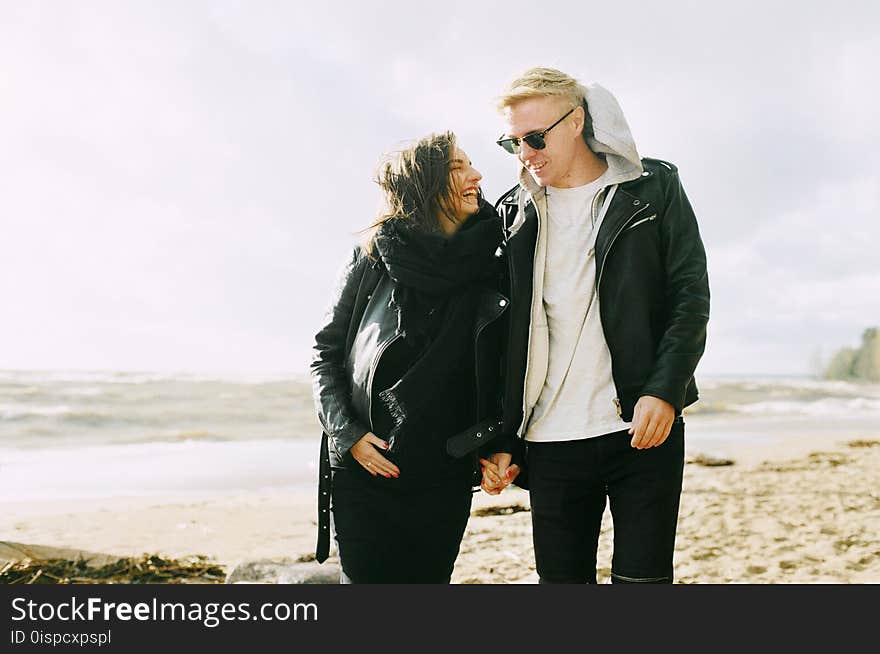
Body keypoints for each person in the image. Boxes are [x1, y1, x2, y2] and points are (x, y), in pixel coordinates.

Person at [481, 67, 710, 584]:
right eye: (512, 142)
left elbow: (689, 297)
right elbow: (496, 338)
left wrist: (663, 390)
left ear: (578, 120)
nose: (525, 154)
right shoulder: (512, 214)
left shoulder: (653, 189)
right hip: (548, 440)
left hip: (641, 427)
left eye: (535, 138)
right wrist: (498, 436)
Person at [310, 132, 510, 583]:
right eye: (458, 167)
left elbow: (502, 366)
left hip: (444, 470)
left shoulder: (494, 261)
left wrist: (498, 444)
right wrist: (350, 435)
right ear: (424, 183)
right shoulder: (372, 257)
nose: (477, 175)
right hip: (365, 467)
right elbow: (326, 353)